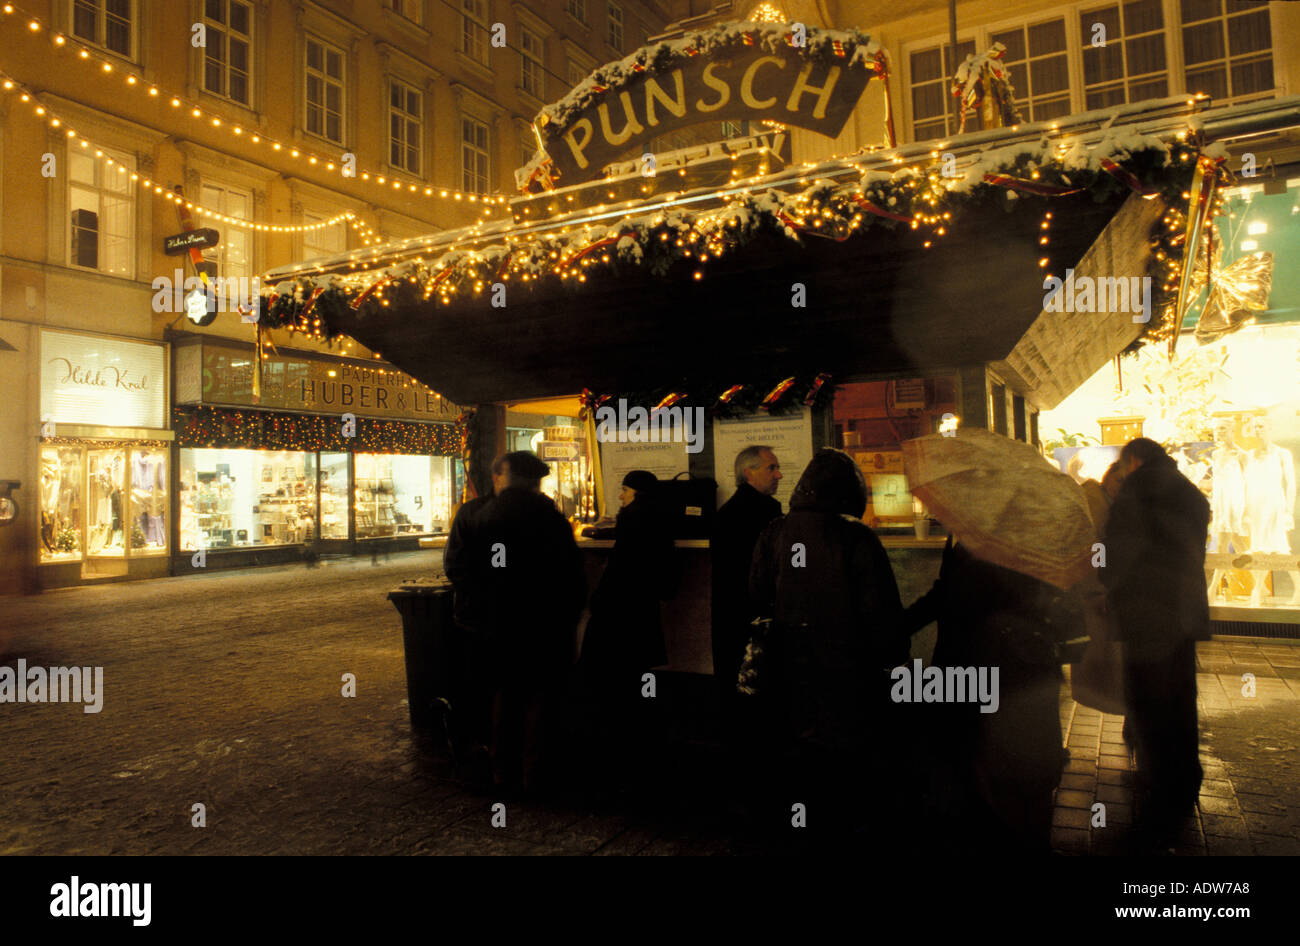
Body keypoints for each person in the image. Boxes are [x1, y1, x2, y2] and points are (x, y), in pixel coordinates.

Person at [749, 449, 909, 849]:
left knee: (799, 756)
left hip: (789, 672)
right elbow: (881, 615)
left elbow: (756, 596)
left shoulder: (775, 530)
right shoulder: (857, 537)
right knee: (844, 764)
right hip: (846, 674)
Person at [902, 536, 1070, 855]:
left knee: (997, 764)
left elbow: (952, 594)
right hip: (1009, 668)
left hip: (996, 668)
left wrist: (901, 625)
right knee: (1005, 765)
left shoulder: (996, 542)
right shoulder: (982, 538)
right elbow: (946, 592)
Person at [1100, 437, 1211, 853]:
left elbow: (1119, 552)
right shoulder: (1186, 488)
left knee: (1149, 704)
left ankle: (1160, 792)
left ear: (1133, 460)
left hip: (1147, 616)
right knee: (1180, 699)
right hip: (1182, 613)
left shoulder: (1139, 487)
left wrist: (1104, 579)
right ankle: (1184, 780)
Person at [465, 451, 586, 794]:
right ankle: (537, 773)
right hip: (546, 624)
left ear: (508, 477)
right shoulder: (550, 518)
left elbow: (480, 572)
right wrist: (570, 614)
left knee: (504, 697)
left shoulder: (486, 516)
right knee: (542, 698)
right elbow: (570, 574)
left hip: (501, 623)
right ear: (534, 480)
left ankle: (503, 771)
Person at [578, 470, 676, 787]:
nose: (620, 496)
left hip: (618, 614)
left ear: (635, 492)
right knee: (635, 675)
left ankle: (610, 746)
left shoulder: (633, 519)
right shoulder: (660, 516)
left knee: (606, 677)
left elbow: (621, 568)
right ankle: (640, 742)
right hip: (641, 612)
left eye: (624, 490)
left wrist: (597, 601)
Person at [711, 446, 782, 719]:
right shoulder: (763, 513)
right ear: (748, 472)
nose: (779, 474)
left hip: (730, 618)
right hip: (756, 618)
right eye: (771, 468)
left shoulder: (728, 512)